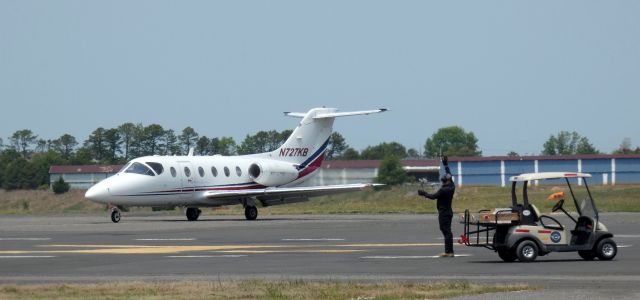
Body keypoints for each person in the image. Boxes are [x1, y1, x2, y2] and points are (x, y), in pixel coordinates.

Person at [418, 156, 455, 257]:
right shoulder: (452, 186)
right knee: (447, 231)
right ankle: (449, 251)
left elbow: (433, 196)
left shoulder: (444, 190)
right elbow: (449, 174)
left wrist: (423, 193)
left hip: (444, 212)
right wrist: (446, 164)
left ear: (444, 182)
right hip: (448, 212)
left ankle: (449, 252)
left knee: (446, 231)